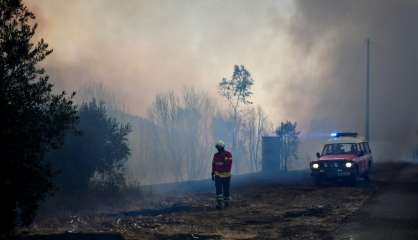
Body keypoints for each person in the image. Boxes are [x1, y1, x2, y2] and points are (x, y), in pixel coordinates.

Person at [211, 140, 232, 209]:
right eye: (217, 148)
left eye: (219, 148)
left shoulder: (228, 154)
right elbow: (214, 164)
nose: (218, 149)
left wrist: (223, 157)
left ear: (222, 147)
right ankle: (219, 204)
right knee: (218, 190)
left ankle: (226, 203)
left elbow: (229, 163)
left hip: (226, 175)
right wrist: (212, 173)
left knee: (226, 190)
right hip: (218, 175)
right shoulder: (215, 155)